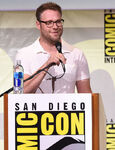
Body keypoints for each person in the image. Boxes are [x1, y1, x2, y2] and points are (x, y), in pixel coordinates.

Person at [16, 2, 92, 94]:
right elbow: (19, 93)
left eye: (58, 21)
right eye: (49, 23)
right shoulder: (23, 55)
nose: (55, 26)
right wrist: (46, 66)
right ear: (38, 24)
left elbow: (86, 95)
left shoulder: (76, 54)